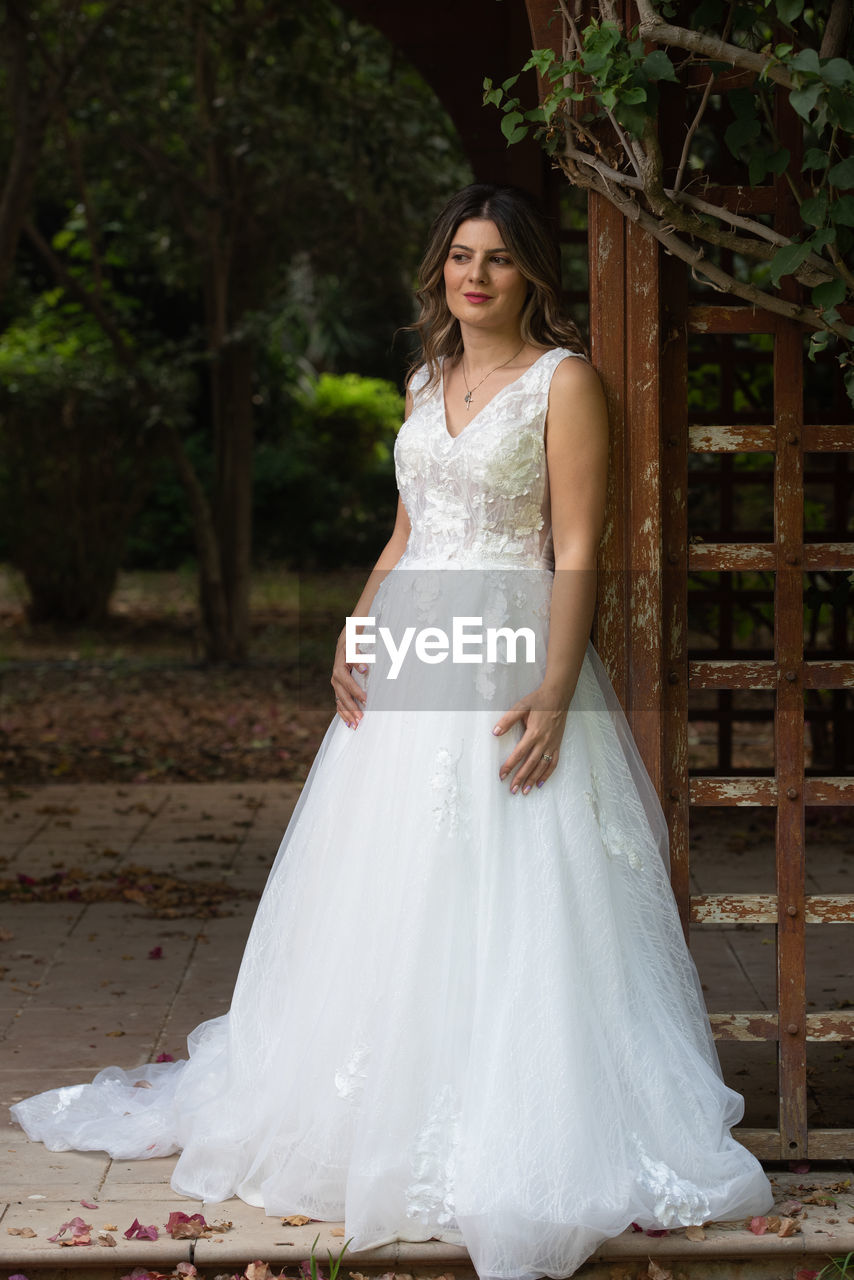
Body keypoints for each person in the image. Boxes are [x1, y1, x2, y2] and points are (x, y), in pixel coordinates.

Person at [10, 183, 774, 1280]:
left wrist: (555, 691)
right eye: (460, 255)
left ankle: (515, 1112)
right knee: (394, 882)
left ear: (531, 278)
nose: (476, 274)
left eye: (499, 258)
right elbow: (406, 530)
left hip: (509, 654)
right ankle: (377, 1103)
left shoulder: (565, 385)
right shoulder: (424, 380)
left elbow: (574, 549)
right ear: (441, 272)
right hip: (413, 652)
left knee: (516, 879)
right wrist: (355, 619)